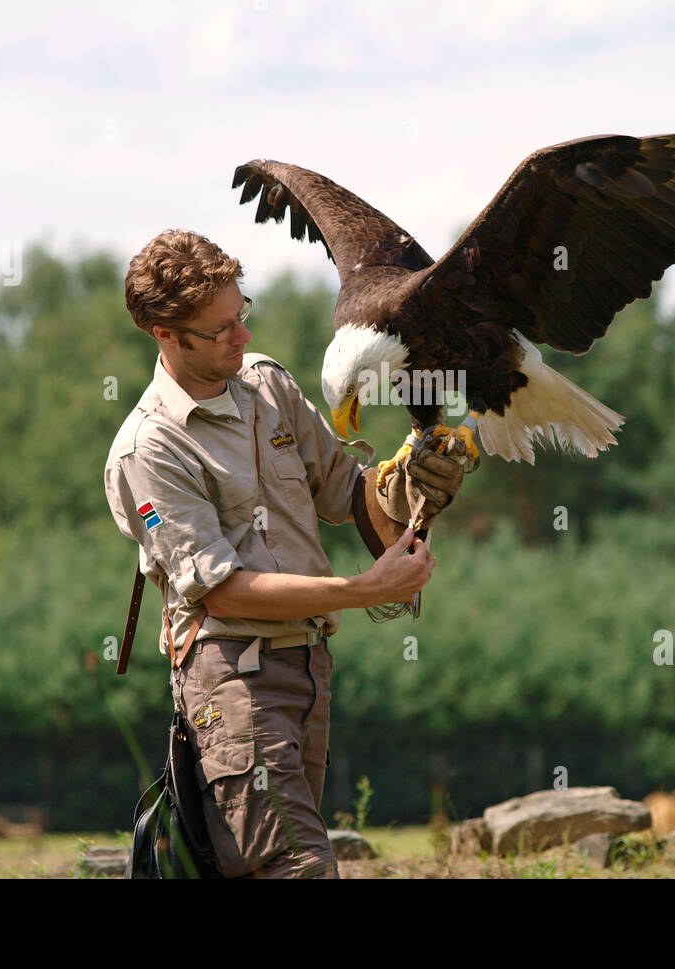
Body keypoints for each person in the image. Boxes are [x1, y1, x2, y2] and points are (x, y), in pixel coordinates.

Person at [103, 229, 465, 879]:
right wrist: (363, 589)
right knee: (301, 866)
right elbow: (223, 590)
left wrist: (416, 485)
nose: (240, 337)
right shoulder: (150, 448)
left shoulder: (267, 384)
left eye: (241, 313)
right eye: (219, 330)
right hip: (231, 678)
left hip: (310, 667)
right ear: (165, 333)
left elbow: (352, 494)